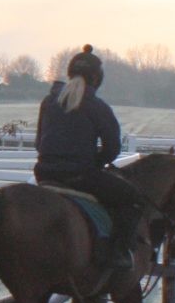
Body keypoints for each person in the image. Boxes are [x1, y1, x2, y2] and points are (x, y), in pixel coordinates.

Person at [31, 45, 149, 270]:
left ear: (69, 73)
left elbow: (39, 142)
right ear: (97, 78)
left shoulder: (49, 102)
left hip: (44, 173)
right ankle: (120, 253)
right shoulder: (96, 106)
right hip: (79, 175)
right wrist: (96, 162)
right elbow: (112, 147)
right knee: (132, 198)